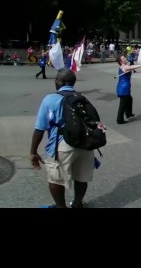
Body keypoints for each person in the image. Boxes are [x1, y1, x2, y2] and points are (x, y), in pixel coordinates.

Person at [30, 68, 94, 208]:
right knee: (81, 177)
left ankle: (60, 206)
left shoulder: (50, 99)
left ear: (60, 81)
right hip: (85, 143)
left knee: (56, 179)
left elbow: (40, 128)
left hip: (63, 145)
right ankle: (77, 204)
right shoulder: (81, 97)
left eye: (56, 79)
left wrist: (33, 152)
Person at [115, 55, 141, 124]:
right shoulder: (125, 67)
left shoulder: (123, 66)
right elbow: (131, 67)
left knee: (129, 99)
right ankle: (119, 120)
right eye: (123, 58)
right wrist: (140, 65)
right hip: (124, 88)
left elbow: (131, 67)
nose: (125, 58)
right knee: (123, 104)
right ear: (121, 61)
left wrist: (139, 65)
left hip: (123, 86)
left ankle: (128, 113)